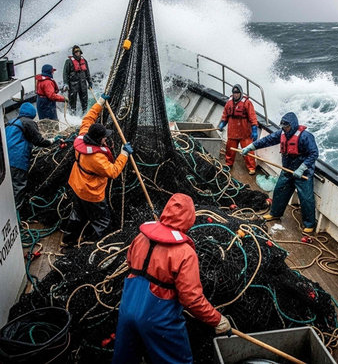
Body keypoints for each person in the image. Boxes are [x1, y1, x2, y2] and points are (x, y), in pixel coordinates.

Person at [112, 193, 231, 364]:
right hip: (158, 318)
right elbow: (192, 299)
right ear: (190, 219)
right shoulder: (185, 253)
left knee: (125, 360)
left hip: (127, 309)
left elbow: (130, 261)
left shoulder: (140, 237)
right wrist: (217, 320)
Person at [61, 94, 133, 245]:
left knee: (77, 214)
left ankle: (67, 240)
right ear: (98, 139)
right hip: (91, 192)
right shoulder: (96, 158)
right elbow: (113, 172)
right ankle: (97, 246)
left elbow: (88, 119)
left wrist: (99, 103)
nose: (106, 139)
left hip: (77, 185)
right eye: (104, 137)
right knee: (102, 220)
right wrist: (124, 154)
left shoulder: (82, 136)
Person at [242, 112, 318, 233]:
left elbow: (314, 153)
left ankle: (309, 224)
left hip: (302, 173)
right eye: (283, 126)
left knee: (306, 198)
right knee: (279, 191)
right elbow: (267, 140)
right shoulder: (282, 133)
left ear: (292, 126)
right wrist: (251, 147)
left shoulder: (305, 137)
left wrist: (302, 168)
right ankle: (275, 213)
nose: (284, 129)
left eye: (286, 126)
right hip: (287, 170)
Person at [6, 102, 54, 209]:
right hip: (17, 160)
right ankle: (16, 215)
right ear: (32, 113)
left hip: (5, 161)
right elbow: (39, 140)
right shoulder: (28, 122)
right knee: (18, 186)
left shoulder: (11, 122)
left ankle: (7, 208)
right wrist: (51, 141)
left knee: (8, 188)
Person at [218, 84, 259, 175]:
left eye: (237, 92)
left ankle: (251, 168)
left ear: (241, 93)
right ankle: (229, 164)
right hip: (232, 131)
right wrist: (222, 123)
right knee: (230, 149)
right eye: (234, 93)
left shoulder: (247, 103)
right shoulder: (229, 102)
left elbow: (253, 117)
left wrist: (254, 129)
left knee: (248, 150)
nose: (235, 94)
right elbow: (225, 115)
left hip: (244, 132)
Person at [63, 45, 92, 114]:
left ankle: (84, 114)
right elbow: (65, 73)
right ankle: (73, 115)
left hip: (83, 84)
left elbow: (87, 73)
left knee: (84, 101)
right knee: (72, 103)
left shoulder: (84, 61)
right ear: (73, 53)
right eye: (76, 52)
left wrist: (90, 82)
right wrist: (66, 83)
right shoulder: (68, 62)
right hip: (73, 85)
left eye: (78, 51)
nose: (77, 53)